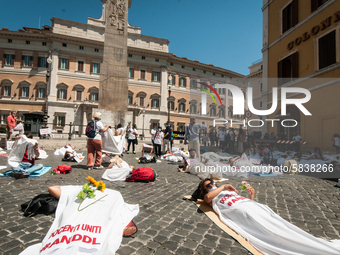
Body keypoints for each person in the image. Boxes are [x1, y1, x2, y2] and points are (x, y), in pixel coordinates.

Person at [192, 179, 340, 255]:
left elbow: (244, 200)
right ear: (204, 189)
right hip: (242, 211)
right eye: (209, 185)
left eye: (212, 183)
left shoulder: (225, 191)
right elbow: (207, 199)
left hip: (251, 206)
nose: (212, 185)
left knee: (283, 226)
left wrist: (252, 196)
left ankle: (315, 246)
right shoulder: (212, 195)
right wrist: (222, 187)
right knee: (272, 232)